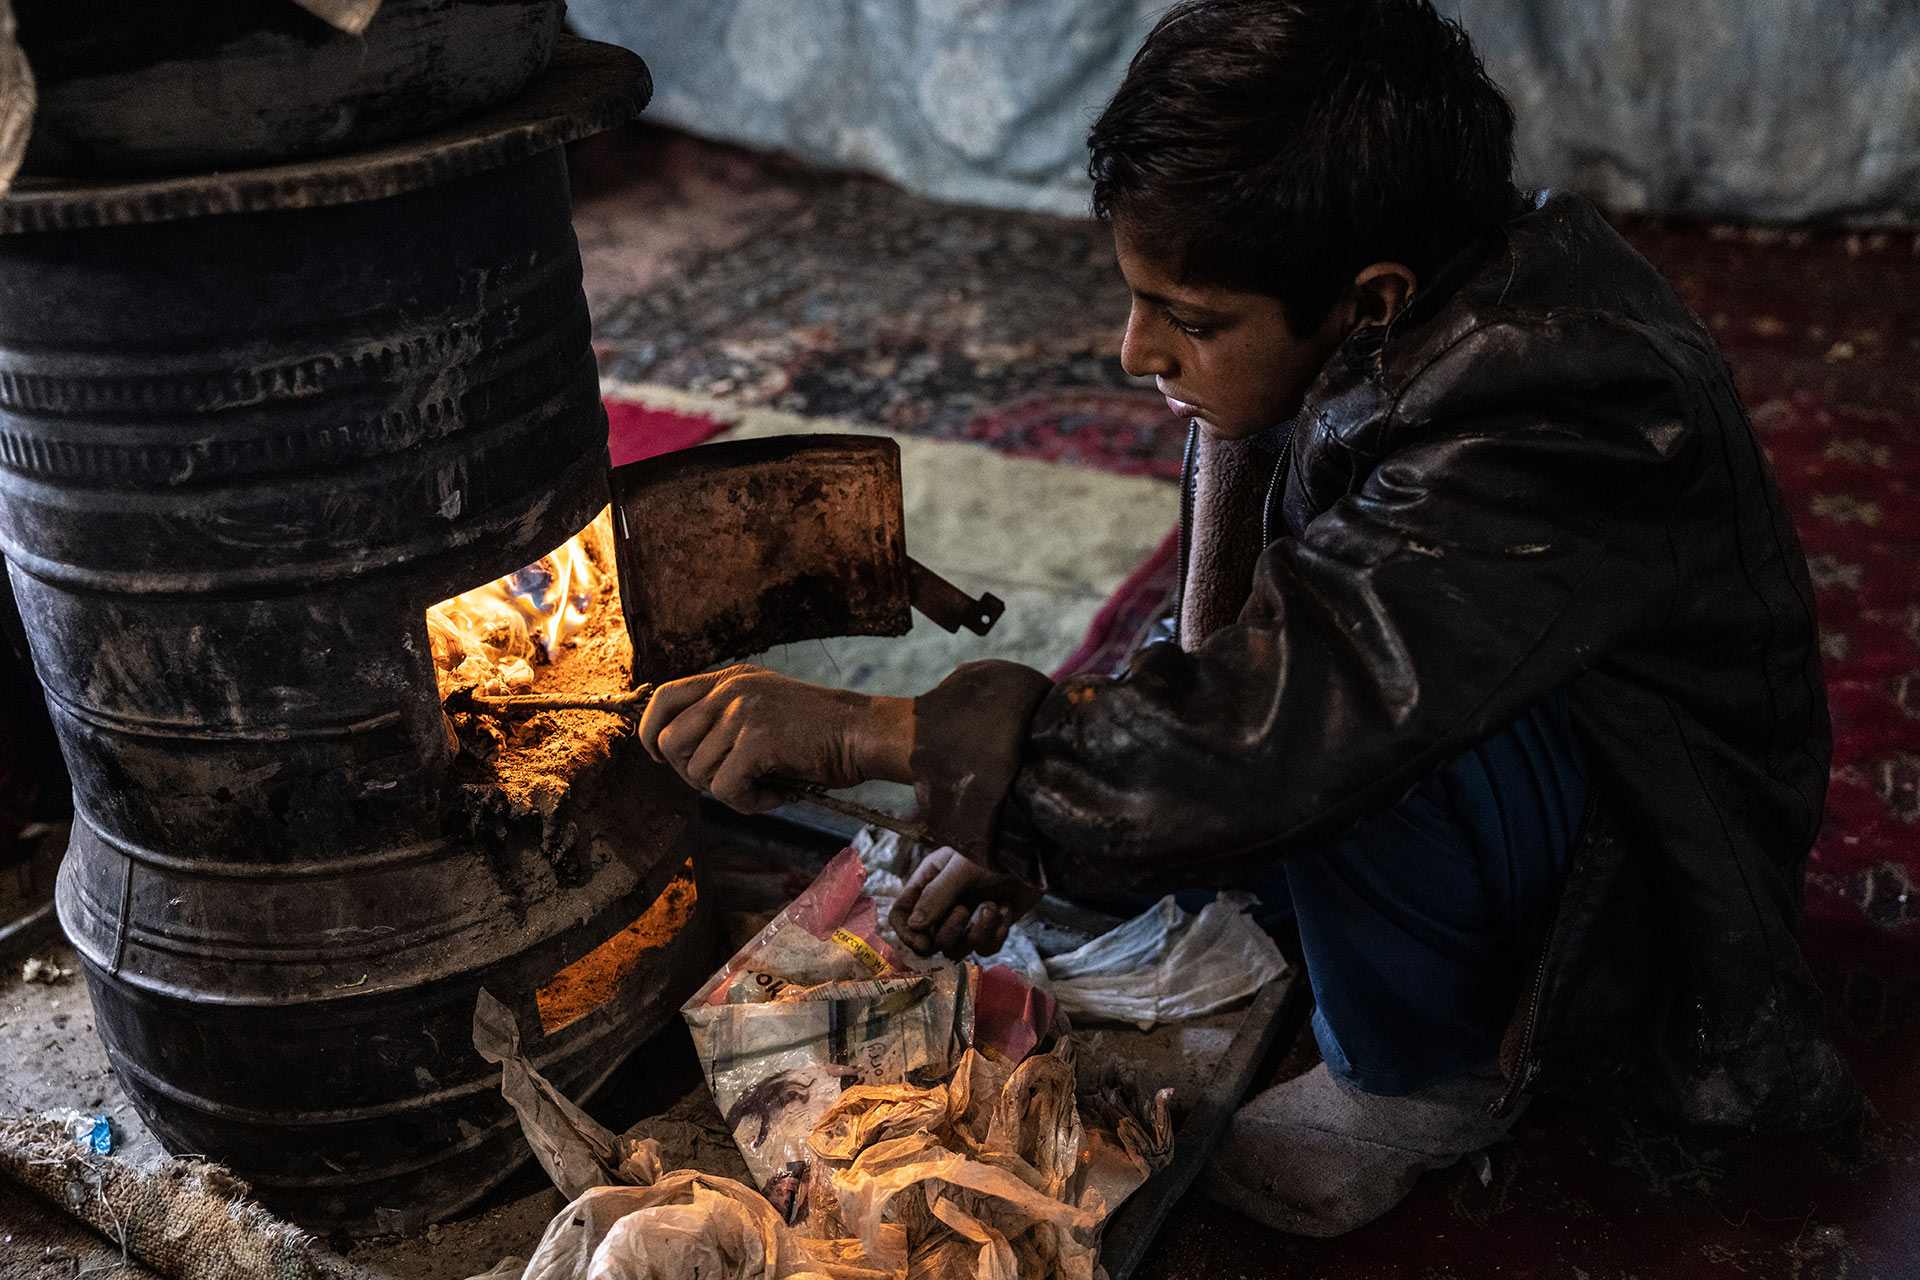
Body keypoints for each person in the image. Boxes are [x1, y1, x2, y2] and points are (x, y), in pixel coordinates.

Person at [635, 0, 1858, 1236]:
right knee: (1204, 740)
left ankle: (1422, 1076)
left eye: (1191, 319)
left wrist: (871, 733)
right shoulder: (1374, 322)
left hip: (1646, 894)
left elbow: (1290, 708)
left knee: (1311, 738)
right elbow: (1213, 634)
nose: (1135, 351)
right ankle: (1330, 916)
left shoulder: (1545, 408)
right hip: (1498, 740)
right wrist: (1019, 814)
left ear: (1371, 301)